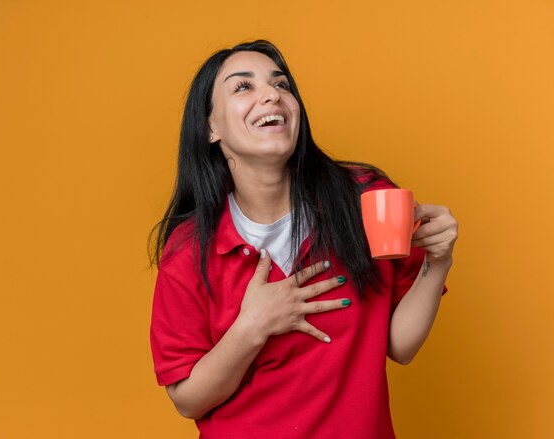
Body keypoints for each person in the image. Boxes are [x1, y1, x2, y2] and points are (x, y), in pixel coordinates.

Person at [149, 39, 458, 439]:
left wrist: (439, 260)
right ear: (211, 128)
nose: (271, 95)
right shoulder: (189, 250)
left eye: (281, 85)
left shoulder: (365, 199)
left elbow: (400, 346)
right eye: (243, 87)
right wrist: (252, 326)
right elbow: (188, 400)